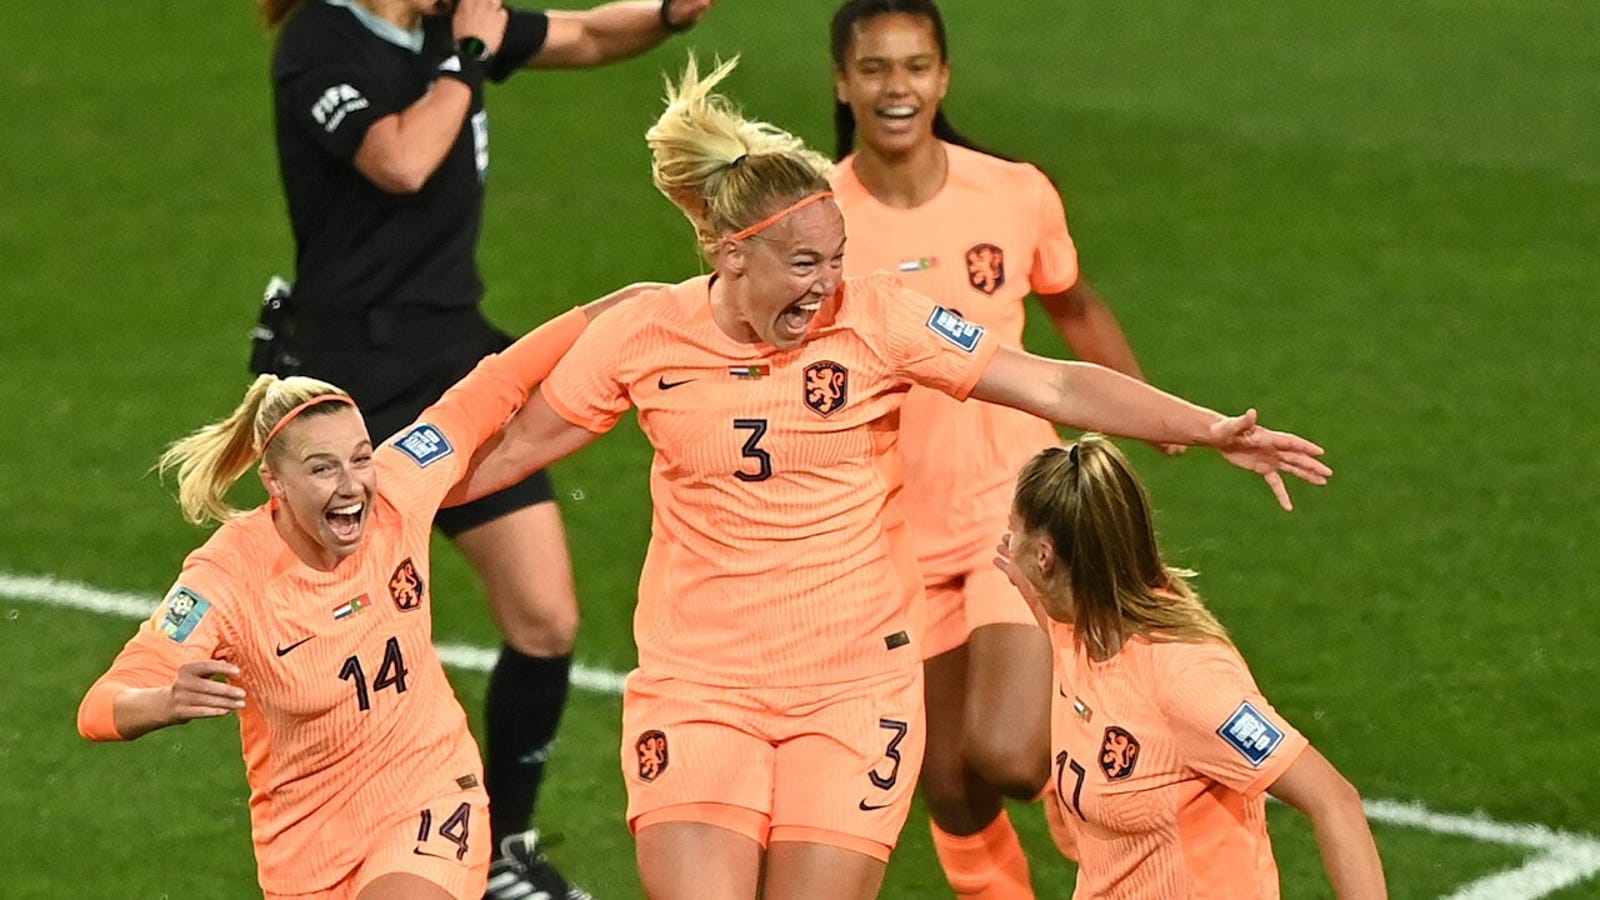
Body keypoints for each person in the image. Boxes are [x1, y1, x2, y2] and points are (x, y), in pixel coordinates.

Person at [439, 55, 1332, 899]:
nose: (827, 288)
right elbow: (510, 452)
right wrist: (371, 505)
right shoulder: (646, 336)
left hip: (852, 694)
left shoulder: (878, 320)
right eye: (804, 265)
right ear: (729, 256)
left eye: (836, 259)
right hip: (700, 689)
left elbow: (1052, 380)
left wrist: (1210, 429)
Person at [253, 0, 714, 894]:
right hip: (352, 380)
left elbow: (583, 35)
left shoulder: (455, 23)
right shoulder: (321, 41)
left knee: (546, 619)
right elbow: (398, 158)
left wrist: (665, 14)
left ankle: (499, 849)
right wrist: (468, 56)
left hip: (456, 362)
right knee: (333, 642)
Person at [75, 291, 639, 899]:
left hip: (428, 793)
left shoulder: (400, 486)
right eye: (322, 469)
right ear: (275, 483)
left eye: (360, 458)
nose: (353, 487)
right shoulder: (228, 578)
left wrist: (616, 308)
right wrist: (160, 701)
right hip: (305, 848)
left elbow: (497, 382)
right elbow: (99, 707)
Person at [827, 3, 1182, 895]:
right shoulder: (818, 218)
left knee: (1012, 756)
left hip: (1010, 507)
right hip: (893, 534)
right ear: (843, 82)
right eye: (875, 68)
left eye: (915, 66)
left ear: (944, 77)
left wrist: (1152, 413)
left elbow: (1074, 304)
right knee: (946, 785)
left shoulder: (1013, 192)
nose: (896, 87)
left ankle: (1121, 784)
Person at [993, 435, 1386, 899]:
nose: (1004, 543)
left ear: (1045, 555)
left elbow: (1334, 800)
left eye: (1013, 530)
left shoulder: (1187, 679)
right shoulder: (1078, 627)